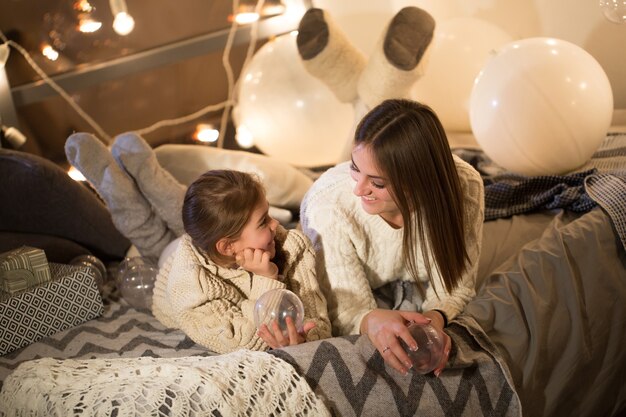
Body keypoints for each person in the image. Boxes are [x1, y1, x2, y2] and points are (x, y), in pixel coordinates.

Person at [300, 98, 485, 376]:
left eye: (377, 183)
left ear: (418, 181)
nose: (359, 189)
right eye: (354, 167)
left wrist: (435, 318)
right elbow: (347, 309)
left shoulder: (464, 186)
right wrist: (372, 321)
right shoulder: (327, 206)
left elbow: (456, 285)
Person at [152, 169, 331, 354]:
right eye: (263, 222)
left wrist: (302, 340)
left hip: (207, 242)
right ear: (228, 246)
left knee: (183, 226)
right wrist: (266, 279)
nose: (275, 224)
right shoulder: (190, 286)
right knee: (155, 241)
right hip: (172, 262)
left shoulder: (292, 246)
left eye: (268, 213)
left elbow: (319, 322)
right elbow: (241, 344)